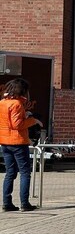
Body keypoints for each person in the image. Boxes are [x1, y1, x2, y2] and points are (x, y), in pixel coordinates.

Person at [0, 79, 42, 212]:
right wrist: (32, 120)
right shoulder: (17, 104)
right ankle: (25, 203)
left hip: (5, 142)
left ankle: (7, 202)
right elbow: (16, 125)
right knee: (25, 173)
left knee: (10, 173)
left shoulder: (2, 103)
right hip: (18, 142)